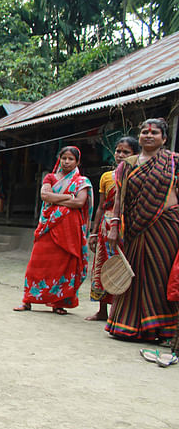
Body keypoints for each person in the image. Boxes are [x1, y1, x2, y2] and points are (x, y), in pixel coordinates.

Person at [106, 118, 179, 342]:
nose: (149, 135)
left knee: (160, 273)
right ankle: (128, 325)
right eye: (145, 132)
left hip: (166, 225)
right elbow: (119, 198)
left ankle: (159, 328)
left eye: (155, 132)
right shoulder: (127, 164)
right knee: (135, 274)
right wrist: (114, 226)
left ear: (164, 138)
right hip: (135, 226)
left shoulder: (174, 161)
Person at [14, 146, 92, 315]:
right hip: (48, 227)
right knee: (36, 263)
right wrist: (68, 197)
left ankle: (58, 303)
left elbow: (79, 203)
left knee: (64, 266)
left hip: (69, 230)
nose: (67, 161)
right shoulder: (50, 177)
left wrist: (56, 200)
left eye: (71, 159)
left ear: (77, 162)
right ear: (59, 159)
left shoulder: (82, 182)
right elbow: (44, 196)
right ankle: (28, 300)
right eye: (64, 158)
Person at [85, 136, 139, 321]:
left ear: (135, 155)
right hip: (105, 227)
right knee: (102, 265)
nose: (121, 155)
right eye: (118, 151)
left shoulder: (136, 176)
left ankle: (119, 312)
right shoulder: (106, 177)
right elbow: (101, 206)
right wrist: (93, 232)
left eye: (126, 152)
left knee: (124, 267)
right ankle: (102, 311)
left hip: (128, 226)